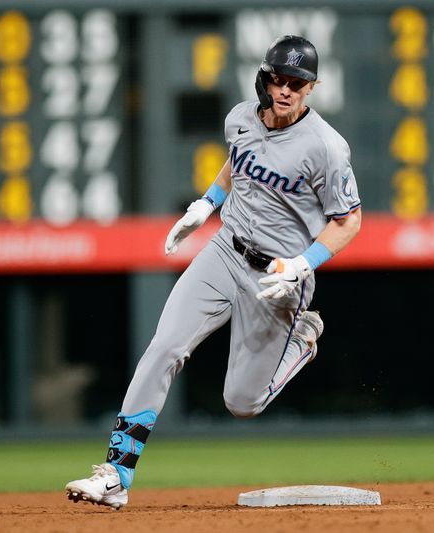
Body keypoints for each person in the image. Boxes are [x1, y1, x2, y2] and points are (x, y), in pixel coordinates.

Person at [65, 35, 362, 509]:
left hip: (278, 280)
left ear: (312, 87)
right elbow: (236, 165)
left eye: (296, 83)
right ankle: (117, 474)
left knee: (241, 404)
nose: (284, 90)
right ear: (265, 78)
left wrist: (303, 264)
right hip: (224, 252)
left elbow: (348, 220)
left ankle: (301, 340)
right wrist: (206, 203)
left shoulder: (326, 147)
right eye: (277, 79)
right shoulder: (241, 117)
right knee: (164, 347)